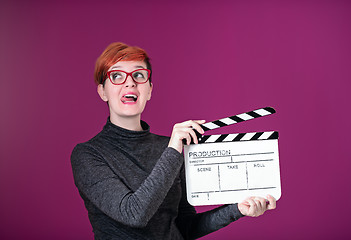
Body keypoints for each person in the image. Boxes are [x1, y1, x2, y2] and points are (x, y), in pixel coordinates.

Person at [71, 42, 276, 240]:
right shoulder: (88, 154)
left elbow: (186, 227)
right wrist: (173, 150)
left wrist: (237, 209)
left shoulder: (170, 147)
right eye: (116, 75)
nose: (130, 82)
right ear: (102, 91)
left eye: (139, 75)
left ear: (149, 90)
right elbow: (134, 214)